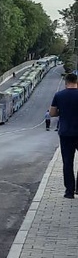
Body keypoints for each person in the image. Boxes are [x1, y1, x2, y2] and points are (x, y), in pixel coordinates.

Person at [50, 71, 78, 199]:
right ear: (76, 82)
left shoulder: (59, 95)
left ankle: (69, 192)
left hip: (66, 133)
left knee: (67, 162)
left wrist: (62, 112)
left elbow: (52, 113)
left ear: (66, 83)